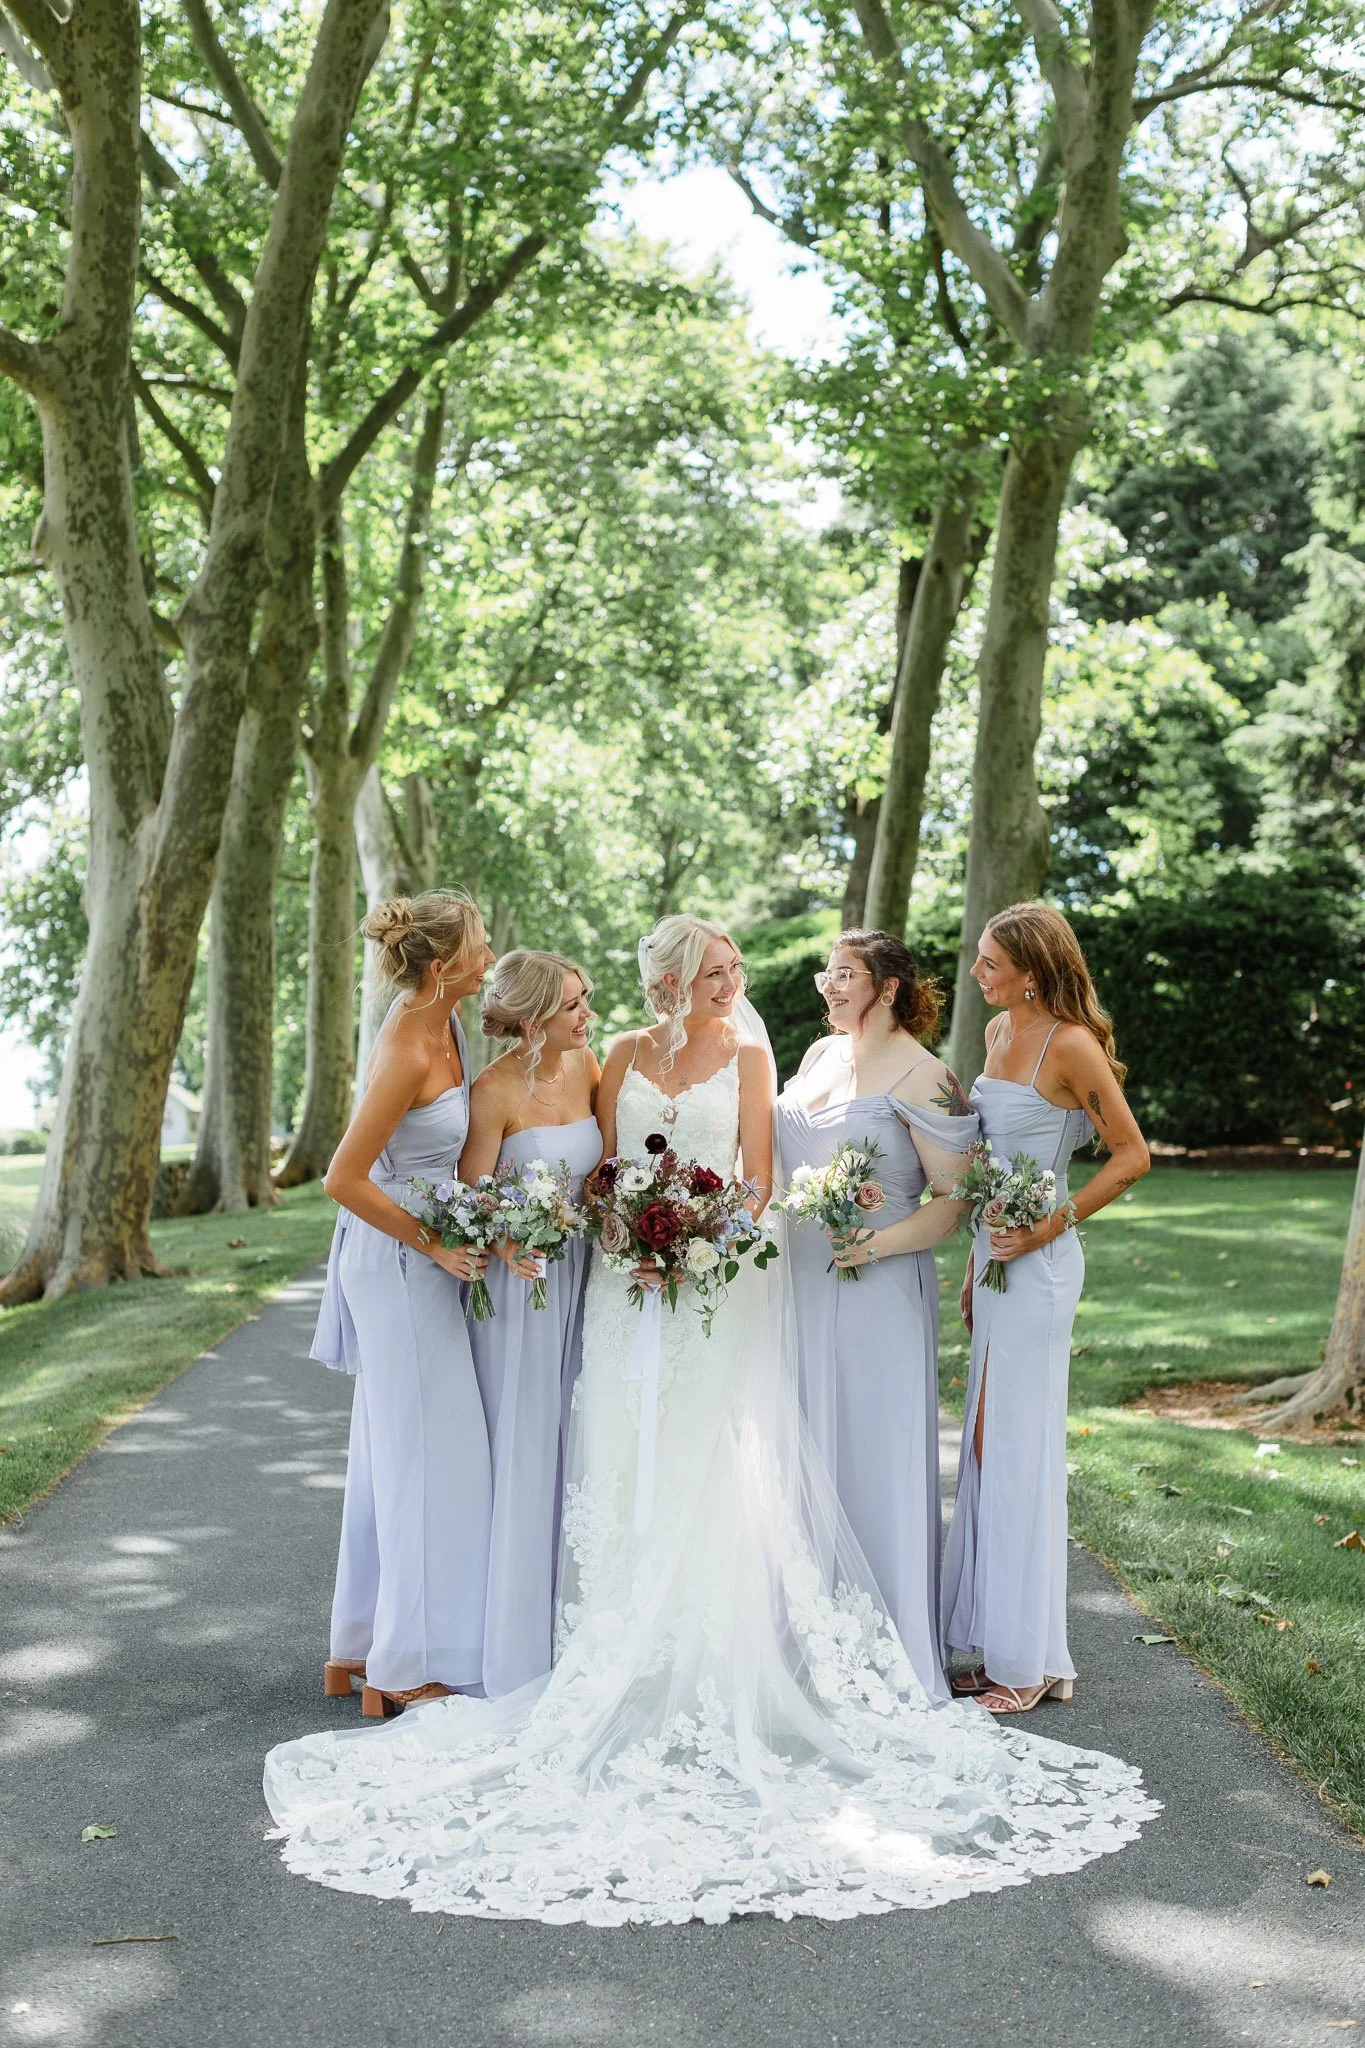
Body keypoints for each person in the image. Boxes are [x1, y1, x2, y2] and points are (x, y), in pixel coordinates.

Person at [265, 913, 1156, 1926]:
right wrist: (625, 1223)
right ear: (674, 981)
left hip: (717, 1283)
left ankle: (729, 1643)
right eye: (718, 970)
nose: (734, 983)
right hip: (624, 1284)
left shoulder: (757, 1046)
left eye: (737, 968)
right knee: (618, 1451)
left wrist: (704, 1232)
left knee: (710, 1460)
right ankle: (608, 1638)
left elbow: (764, 1176)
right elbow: (601, 1164)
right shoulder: (622, 1055)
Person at [942, 900, 1150, 1716]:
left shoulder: (1071, 1046)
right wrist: (972, 1267)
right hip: (994, 1264)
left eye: (991, 963)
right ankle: (999, 1640)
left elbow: (1131, 1156)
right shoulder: (997, 1037)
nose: (977, 974)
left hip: (1042, 1268)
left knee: (1017, 1449)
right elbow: (991, 1158)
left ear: (1031, 971)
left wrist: (1047, 1227)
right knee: (988, 1447)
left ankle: (1028, 1661)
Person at [776, 929, 976, 1702]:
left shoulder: (927, 1078)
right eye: (826, 971)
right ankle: (802, 1628)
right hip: (796, 1277)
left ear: (888, 987)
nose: (829, 984)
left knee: (868, 1447)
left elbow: (954, 1202)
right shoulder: (818, 1057)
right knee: (803, 1442)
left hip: (876, 1285)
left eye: (846, 973)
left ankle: (883, 1642)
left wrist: (878, 1242)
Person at [313, 890, 495, 1718]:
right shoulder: (406, 1047)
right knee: (431, 1459)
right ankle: (401, 1664)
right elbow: (342, 1179)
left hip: (420, 1256)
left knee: (390, 1456)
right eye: (479, 943)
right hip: (394, 1264)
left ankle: (354, 1645)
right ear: (441, 962)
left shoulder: (446, 1020)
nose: (489, 953)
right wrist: (434, 1244)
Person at [461, 952, 602, 1697]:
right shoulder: (491, 1091)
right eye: (574, 1006)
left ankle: (574, 1611)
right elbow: (471, 1192)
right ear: (530, 1017)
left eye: (586, 1001)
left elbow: (607, 1173)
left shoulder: (588, 1068)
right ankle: (515, 1637)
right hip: (521, 1288)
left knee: (577, 1436)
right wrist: (513, 1239)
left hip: (586, 1277)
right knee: (524, 1438)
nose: (587, 1016)